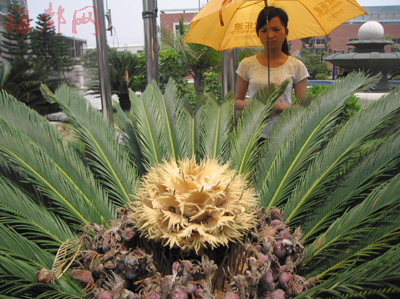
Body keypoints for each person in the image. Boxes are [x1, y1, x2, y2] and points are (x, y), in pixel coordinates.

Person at [234, 7, 309, 138]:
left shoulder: (296, 66)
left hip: (285, 136)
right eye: (264, 30)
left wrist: (280, 107)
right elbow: (237, 102)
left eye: (276, 29)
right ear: (258, 33)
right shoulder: (247, 64)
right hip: (252, 136)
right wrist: (259, 107)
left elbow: (303, 108)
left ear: (286, 31)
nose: (270, 35)